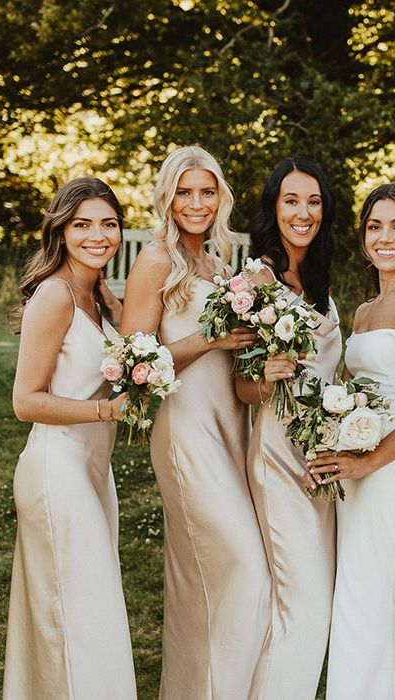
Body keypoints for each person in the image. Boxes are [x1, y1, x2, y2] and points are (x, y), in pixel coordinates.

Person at [120, 145, 270, 700]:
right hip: (185, 433)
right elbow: (137, 366)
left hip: (229, 425)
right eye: (185, 192)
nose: (197, 203)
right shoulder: (157, 261)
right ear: (167, 197)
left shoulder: (219, 263)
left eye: (207, 192)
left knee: (204, 581)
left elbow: (236, 359)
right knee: (244, 570)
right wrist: (212, 338)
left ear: (220, 198)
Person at [307, 183, 395, 698]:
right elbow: (350, 391)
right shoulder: (364, 311)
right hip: (357, 469)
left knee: (378, 599)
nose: (386, 238)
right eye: (375, 226)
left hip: (394, 470)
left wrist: (372, 461)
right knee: (357, 601)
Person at [3, 177, 136, 699]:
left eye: (108, 224)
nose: (97, 235)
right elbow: (25, 401)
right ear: (60, 230)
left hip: (91, 471)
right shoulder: (54, 295)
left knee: (84, 610)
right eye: (82, 225)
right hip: (56, 472)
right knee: (74, 615)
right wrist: (106, 410)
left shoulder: (96, 292)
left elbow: (129, 344)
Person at [234, 156, 341, 699]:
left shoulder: (318, 277)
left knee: (306, 602)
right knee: (306, 603)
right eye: (292, 200)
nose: (304, 212)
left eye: (314, 201)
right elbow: (243, 389)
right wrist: (268, 374)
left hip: (323, 458)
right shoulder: (256, 279)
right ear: (273, 207)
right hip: (278, 455)